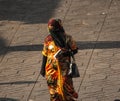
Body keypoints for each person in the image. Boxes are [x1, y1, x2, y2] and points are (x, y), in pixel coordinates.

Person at [40, 18, 78, 101]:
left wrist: (67, 52)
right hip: (51, 70)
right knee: (53, 92)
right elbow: (45, 54)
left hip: (64, 69)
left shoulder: (67, 38)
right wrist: (42, 69)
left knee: (65, 89)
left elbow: (75, 50)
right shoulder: (48, 40)